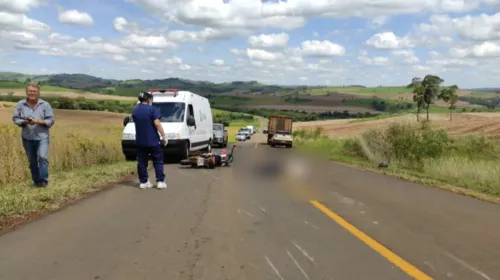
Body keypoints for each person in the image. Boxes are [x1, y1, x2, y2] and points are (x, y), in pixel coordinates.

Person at [12, 83, 55, 187]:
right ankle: (36, 181)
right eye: (30, 91)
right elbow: (15, 119)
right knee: (32, 161)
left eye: (34, 91)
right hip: (27, 137)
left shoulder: (45, 105)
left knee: (42, 157)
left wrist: (39, 121)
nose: (32, 93)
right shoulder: (20, 104)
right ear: (27, 92)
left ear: (38, 92)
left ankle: (44, 181)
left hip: (42, 137)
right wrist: (25, 122)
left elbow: (51, 120)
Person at [132, 91, 168, 189]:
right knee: (158, 161)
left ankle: (143, 182)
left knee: (142, 162)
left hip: (140, 141)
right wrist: (164, 136)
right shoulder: (152, 109)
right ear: (148, 99)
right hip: (153, 141)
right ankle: (160, 181)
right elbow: (157, 124)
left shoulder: (135, 110)